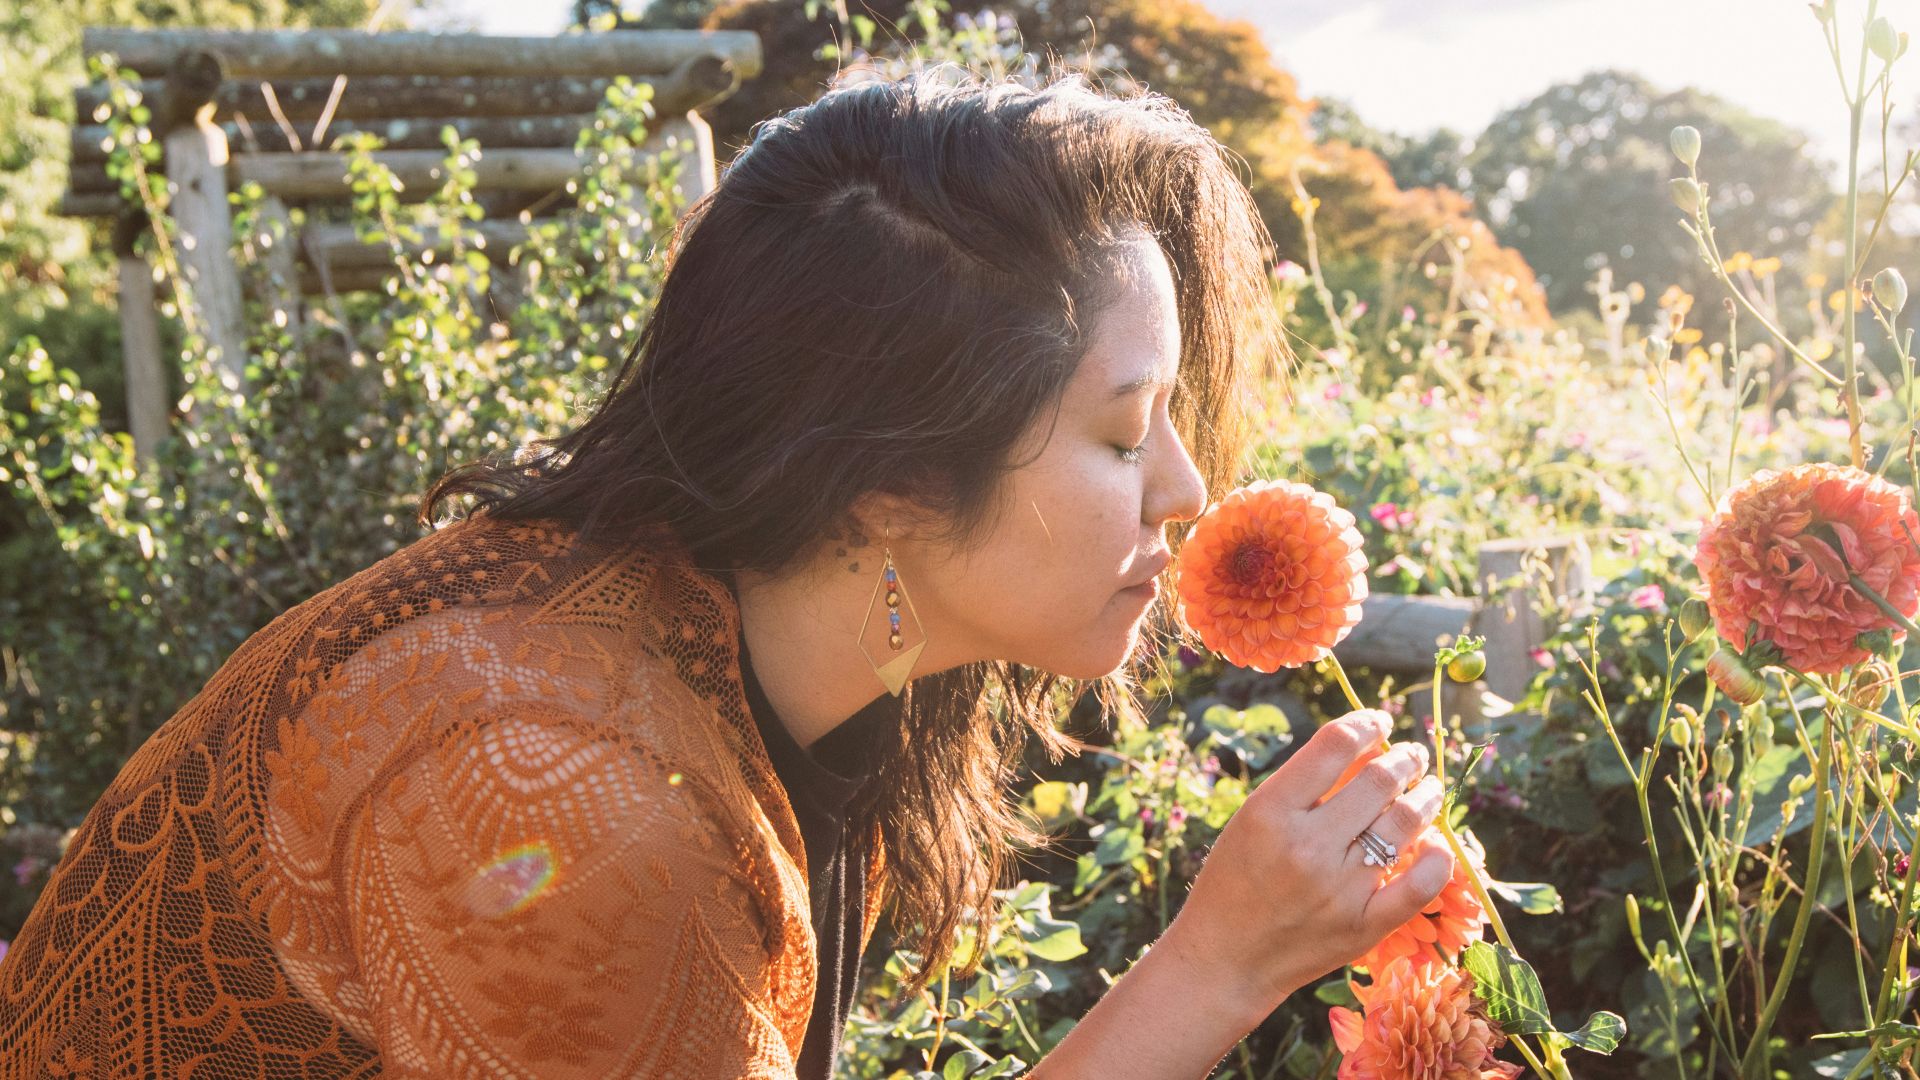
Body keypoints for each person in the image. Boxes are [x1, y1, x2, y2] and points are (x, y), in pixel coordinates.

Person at [0, 67, 1451, 1079]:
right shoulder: (564, 797)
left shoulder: (774, 668)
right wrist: (1221, 965)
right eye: (1125, 430)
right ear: (884, 476)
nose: (1191, 492)